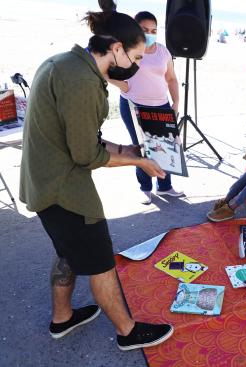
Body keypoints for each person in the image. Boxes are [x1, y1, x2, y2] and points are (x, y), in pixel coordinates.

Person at [19, 0, 173, 350]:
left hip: (43, 180)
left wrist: (129, 150)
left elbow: (82, 135)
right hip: (64, 190)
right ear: (116, 49)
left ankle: (62, 318)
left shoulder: (64, 63)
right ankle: (127, 331)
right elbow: (87, 155)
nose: (134, 66)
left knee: (68, 251)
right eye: (134, 59)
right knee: (101, 261)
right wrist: (141, 164)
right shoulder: (83, 83)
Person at [113, 11, 184, 205]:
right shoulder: (125, 49)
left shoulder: (163, 51)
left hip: (161, 105)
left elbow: (171, 79)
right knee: (142, 149)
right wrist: (123, 85)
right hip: (134, 106)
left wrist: (175, 102)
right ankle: (145, 188)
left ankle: (165, 186)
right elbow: (106, 71)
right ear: (135, 29)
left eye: (153, 30)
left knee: (165, 148)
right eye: (145, 30)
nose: (149, 33)